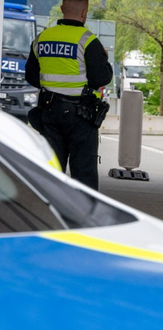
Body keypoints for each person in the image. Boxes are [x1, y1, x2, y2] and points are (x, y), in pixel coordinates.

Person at [24, 0, 112, 191]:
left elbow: (31, 75)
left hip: (49, 111)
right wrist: (104, 60)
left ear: (62, 10)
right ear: (84, 13)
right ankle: (83, 217)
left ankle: (49, 213)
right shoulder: (88, 40)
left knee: (51, 171)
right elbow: (100, 78)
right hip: (81, 115)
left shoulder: (42, 38)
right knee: (83, 174)